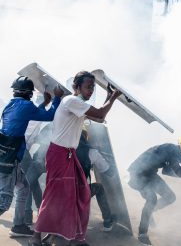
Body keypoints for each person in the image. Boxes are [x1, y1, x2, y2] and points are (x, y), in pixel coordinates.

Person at [29, 71, 121, 246]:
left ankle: (74, 237)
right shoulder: (72, 101)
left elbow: (99, 118)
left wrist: (109, 96)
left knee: (79, 194)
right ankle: (36, 237)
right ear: (77, 87)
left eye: (93, 88)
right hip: (59, 155)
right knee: (53, 197)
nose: (91, 91)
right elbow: (101, 114)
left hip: (68, 155)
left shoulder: (78, 105)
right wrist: (114, 97)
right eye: (88, 87)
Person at [0, 76, 64, 237]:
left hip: (6, 153)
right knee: (5, 200)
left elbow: (31, 114)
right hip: (10, 157)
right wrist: (57, 98)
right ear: (29, 94)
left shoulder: (11, 104)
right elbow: (50, 116)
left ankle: (18, 225)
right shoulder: (26, 106)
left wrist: (45, 103)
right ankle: (19, 224)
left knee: (23, 189)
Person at [128, 134, 181, 245]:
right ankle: (142, 233)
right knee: (152, 199)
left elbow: (169, 171)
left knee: (170, 197)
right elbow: (177, 172)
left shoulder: (175, 151)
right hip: (137, 174)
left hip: (150, 174)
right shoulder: (171, 150)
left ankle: (150, 212)